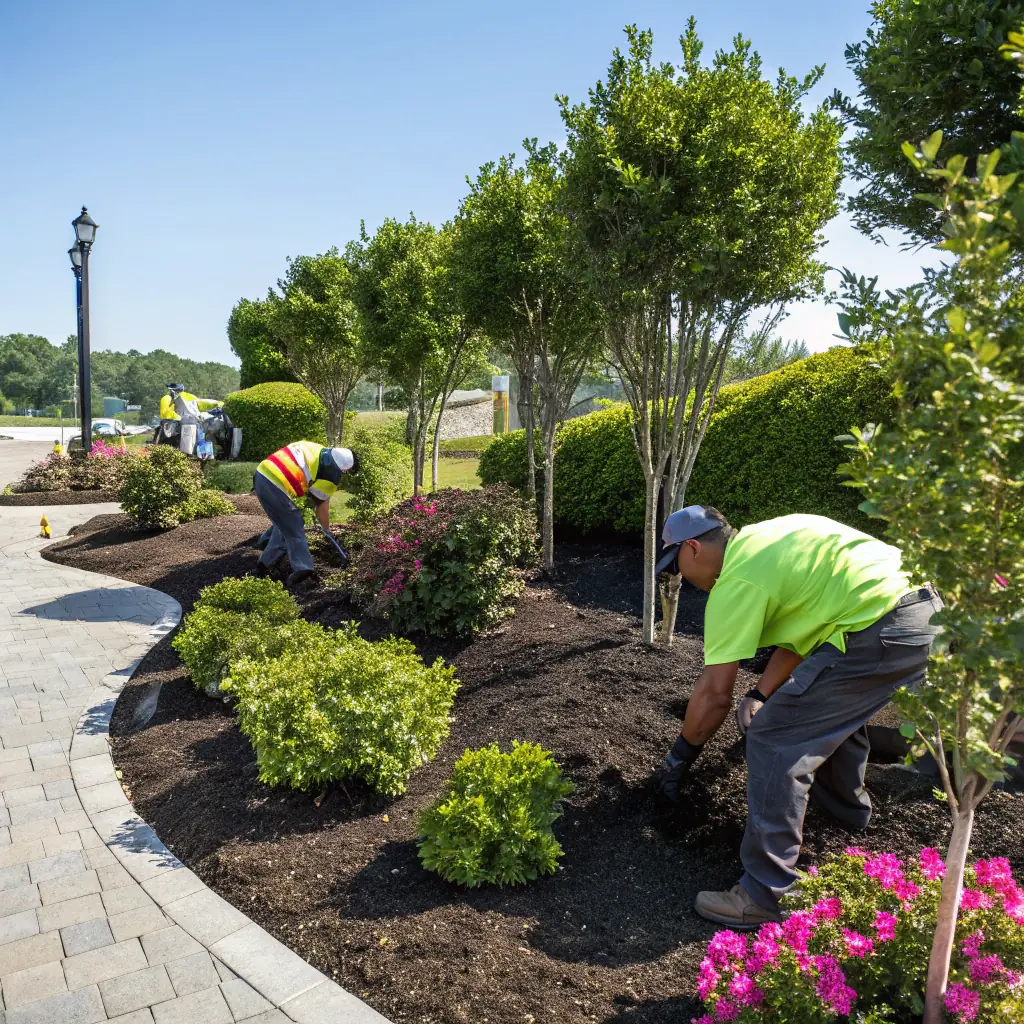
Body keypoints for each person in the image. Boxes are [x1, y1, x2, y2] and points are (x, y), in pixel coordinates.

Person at [655, 506, 943, 929]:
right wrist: (760, 693)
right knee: (822, 714)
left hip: (879, 628)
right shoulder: (771, 537)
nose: (678, 577)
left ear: (693, 548)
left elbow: (715, 695)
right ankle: (845, 813)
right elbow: (803, 637)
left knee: (774, 738)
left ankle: (765, 894)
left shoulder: (737, 579)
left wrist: (680, 757)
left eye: (675, 565)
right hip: (922, 613)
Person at [253, 440, 359, 587]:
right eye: (345, 471)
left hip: (261, 473)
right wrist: (327, 530)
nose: (344, 474)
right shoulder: (330, 474)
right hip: (273, 483)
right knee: (294, 524)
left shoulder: (316, 448)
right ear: (341, 469)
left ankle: (264, 551)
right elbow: (321, 505)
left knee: (285, 522)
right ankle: (303, 569)